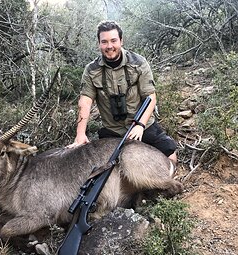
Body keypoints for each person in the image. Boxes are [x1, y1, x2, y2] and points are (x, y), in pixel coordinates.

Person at [68, 20, 178, 164]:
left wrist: (140, 125)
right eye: (104, 42)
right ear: (99, 43)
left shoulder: (139, 63)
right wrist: (80, 134)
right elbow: (85, 101)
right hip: (113, 130)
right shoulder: (91, 70)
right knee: (103, 166)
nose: (109, 46)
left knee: (170, 154)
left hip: (141, 126)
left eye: (113, 41)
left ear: (121, 41)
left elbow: (150, 96)